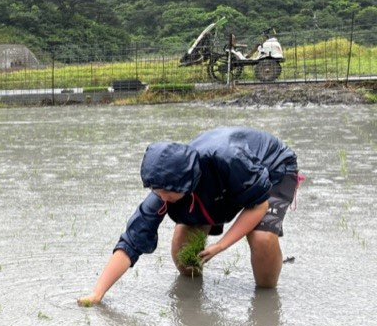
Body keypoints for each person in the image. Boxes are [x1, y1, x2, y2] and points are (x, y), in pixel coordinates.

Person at [78, 127, 300, 306]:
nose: (162, 197)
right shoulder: (163, 192)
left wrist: (221, 245)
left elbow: (258, 206)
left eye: (168, 192)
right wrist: (97, 293)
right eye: (158, 191)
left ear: (187, 182)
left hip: (272, 167)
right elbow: (131, 241)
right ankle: (194, 305)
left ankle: (266, 299)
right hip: (218, 184)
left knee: (262, 237)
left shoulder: (228, 160)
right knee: (183, 251)